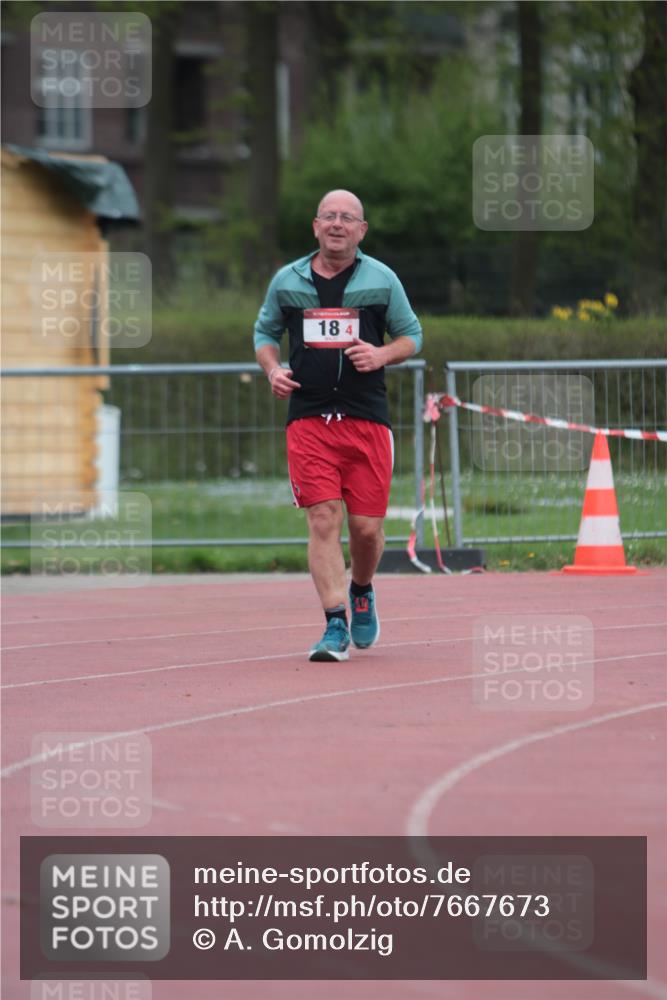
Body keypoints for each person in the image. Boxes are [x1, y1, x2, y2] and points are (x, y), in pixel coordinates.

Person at [254, 189, 422, 662]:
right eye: (329, 216)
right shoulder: (287, 280)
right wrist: (272, 369)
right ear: (315, 225)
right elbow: (265, 332)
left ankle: (362, 588)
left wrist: (382, 353)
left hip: (366, 418)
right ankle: (334, 625)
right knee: (324, 518)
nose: (337, 224)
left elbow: (412, 335)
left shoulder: (382, 279)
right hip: (309, 419)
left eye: (347, 218)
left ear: (361, 230)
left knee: (366, 530)